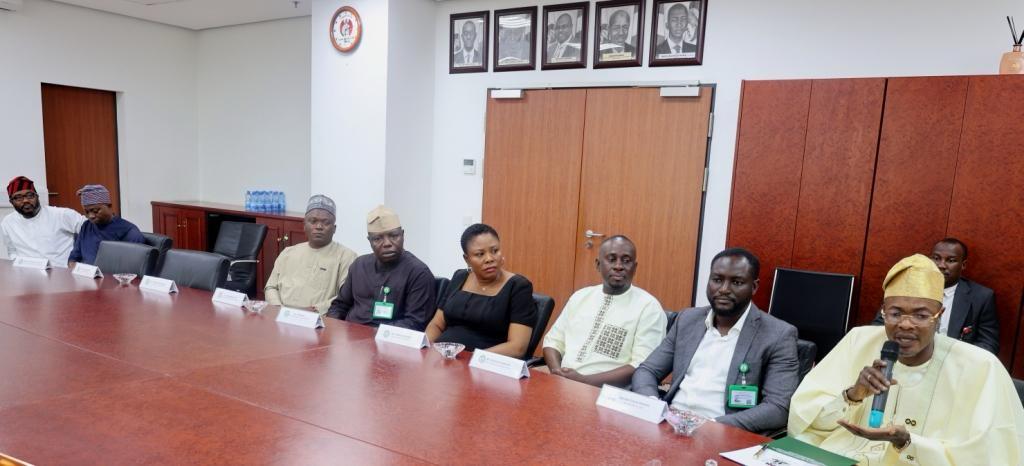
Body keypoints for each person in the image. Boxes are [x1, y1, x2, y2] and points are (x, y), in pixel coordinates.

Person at [789, 254, 1024, 465]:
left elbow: (991, 454)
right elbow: (805, 421)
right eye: (895, 313)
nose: (905, 324)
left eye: (921, 315)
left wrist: (908, 442)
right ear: (883, 311)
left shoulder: (981, 366)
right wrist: (852, 396)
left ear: (939, 316)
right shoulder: (858, 340)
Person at [632, 248, 799, 435]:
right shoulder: (687, 319)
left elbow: (777, 408)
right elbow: (647, 370)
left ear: (754, 287)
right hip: (672, 424)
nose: (724, 289)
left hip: (723, 431)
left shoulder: (778, 334)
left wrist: (709, 425)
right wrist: (654, 405)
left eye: (736, 282)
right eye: (717, 280)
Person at [543, 235, 666, 387]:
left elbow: (643, 366)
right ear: (598, 265)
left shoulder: (649, 307)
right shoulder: (580, 297)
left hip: (610, 393)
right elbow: (553, 342)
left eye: (626, 261)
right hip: (562, 383)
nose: (618, 266)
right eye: (612, 259)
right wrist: (557, 372)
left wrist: (583, 382)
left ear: (634, 268)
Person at [425, 224, 536, 358]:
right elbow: (436, 324)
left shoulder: (518, 287)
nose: (489, 259)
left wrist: (471, 358)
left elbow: (517, 347)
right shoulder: (460, 277)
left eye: (495, 251)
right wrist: (425, 348)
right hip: (442, 357)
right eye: (480, 254)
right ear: (467, 259)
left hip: (482, 363)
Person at [871, 238, 998, 354]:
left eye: (951, 260)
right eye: (936, 258)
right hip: (906, 355)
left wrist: (957, 360)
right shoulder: (907, 287)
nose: (941, 265)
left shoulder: (981, 296)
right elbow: (877, 327)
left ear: (963, 265)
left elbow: (988, 344)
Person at [326, 205, 436, 330]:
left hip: (387, 338)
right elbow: (339, 306)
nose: (387, 243)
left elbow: (415, 322)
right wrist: (331, 330)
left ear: (403, 235)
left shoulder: (418, 273)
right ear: (369, 241)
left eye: (394, 236)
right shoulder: (359, 265)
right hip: (350, 335)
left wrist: (371, 335)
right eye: (378, 239)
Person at [264, 195, 357, 314]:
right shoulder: (288, 252)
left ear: (334, 228)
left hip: (320, 318)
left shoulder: (347, 257)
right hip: (280, 314)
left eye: (326, 223)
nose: (319, 227)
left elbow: (345, 297)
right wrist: (278, 308)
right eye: (313, 221)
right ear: (304, 226)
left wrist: (314, 310)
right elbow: (271, 287)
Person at [1, 176, 85, 266]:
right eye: (18, 198)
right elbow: (12, 251)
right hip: (27, 272)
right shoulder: (8, 222)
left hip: (61, 271)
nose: (25, 200)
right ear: (11, 202)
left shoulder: (62, 215)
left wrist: (77, 257)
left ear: (37, 196)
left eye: (30, 195)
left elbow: (91, 230)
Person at [68, 184, 144, 266]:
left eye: (95, 211)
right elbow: (73, 258)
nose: (91, 216)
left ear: (109, 206)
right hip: (85, 273)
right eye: (86, 212)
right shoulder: (86, 226)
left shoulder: (129, 232)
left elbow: (134, 267)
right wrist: (73, 267)